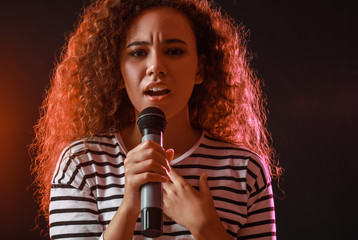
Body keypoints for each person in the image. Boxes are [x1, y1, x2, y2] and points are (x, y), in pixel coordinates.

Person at [31, 0, 283, 239]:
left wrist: (206, 227)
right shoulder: (81, 165)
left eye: (174, 51)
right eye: (138, 53)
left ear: (200, 69)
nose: (156, 67)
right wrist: (129, 205)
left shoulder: (245, 171)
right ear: (117, 72)